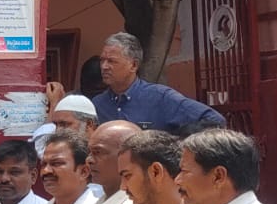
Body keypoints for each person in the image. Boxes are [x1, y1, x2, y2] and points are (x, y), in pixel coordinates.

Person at [93, 33, 225, 133]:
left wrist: (175, 147)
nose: (104, 67)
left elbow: (214, 120)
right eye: (102, 60)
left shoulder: (160, 97)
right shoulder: (97, 105)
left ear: (133, 65)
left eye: (111, 61)